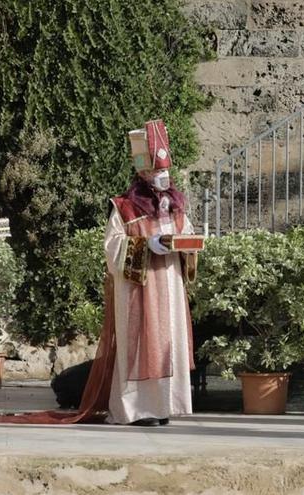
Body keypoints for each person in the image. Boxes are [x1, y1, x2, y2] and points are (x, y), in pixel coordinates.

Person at [102, 119, 197, 426]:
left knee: (169, 339)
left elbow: (189, 235)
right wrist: (147, 245)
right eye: (157, 172)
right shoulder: (125, 208)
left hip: (170, 280)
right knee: (142, 342)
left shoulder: (175, 205)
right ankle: (139, 409)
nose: (163, 176)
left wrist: (187, 246)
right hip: (140, 286)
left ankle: (165, 405)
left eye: (165, 171)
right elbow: (112, 246)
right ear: (143, 173)